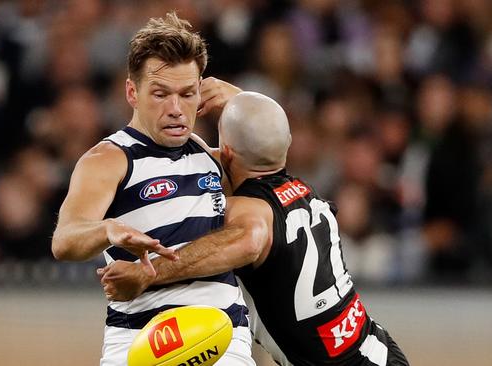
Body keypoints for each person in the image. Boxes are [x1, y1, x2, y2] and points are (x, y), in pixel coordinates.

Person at [99, 92, 410, 366]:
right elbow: (265, 131)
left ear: (229, 153)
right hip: (376, 349)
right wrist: (239, 98)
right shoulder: (306, 191)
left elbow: (250, 240)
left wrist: (146, 273)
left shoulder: (247, 212)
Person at [51, 12, 255, 366]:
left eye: (187, 94)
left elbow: (279, 170)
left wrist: (243, 102)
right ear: (132, 92)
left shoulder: (214, 159)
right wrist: (107, 229)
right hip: (140, 338)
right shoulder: (108, 159)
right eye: (160, 94)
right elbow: (65, 241)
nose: (176, 109)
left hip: (223, 338)